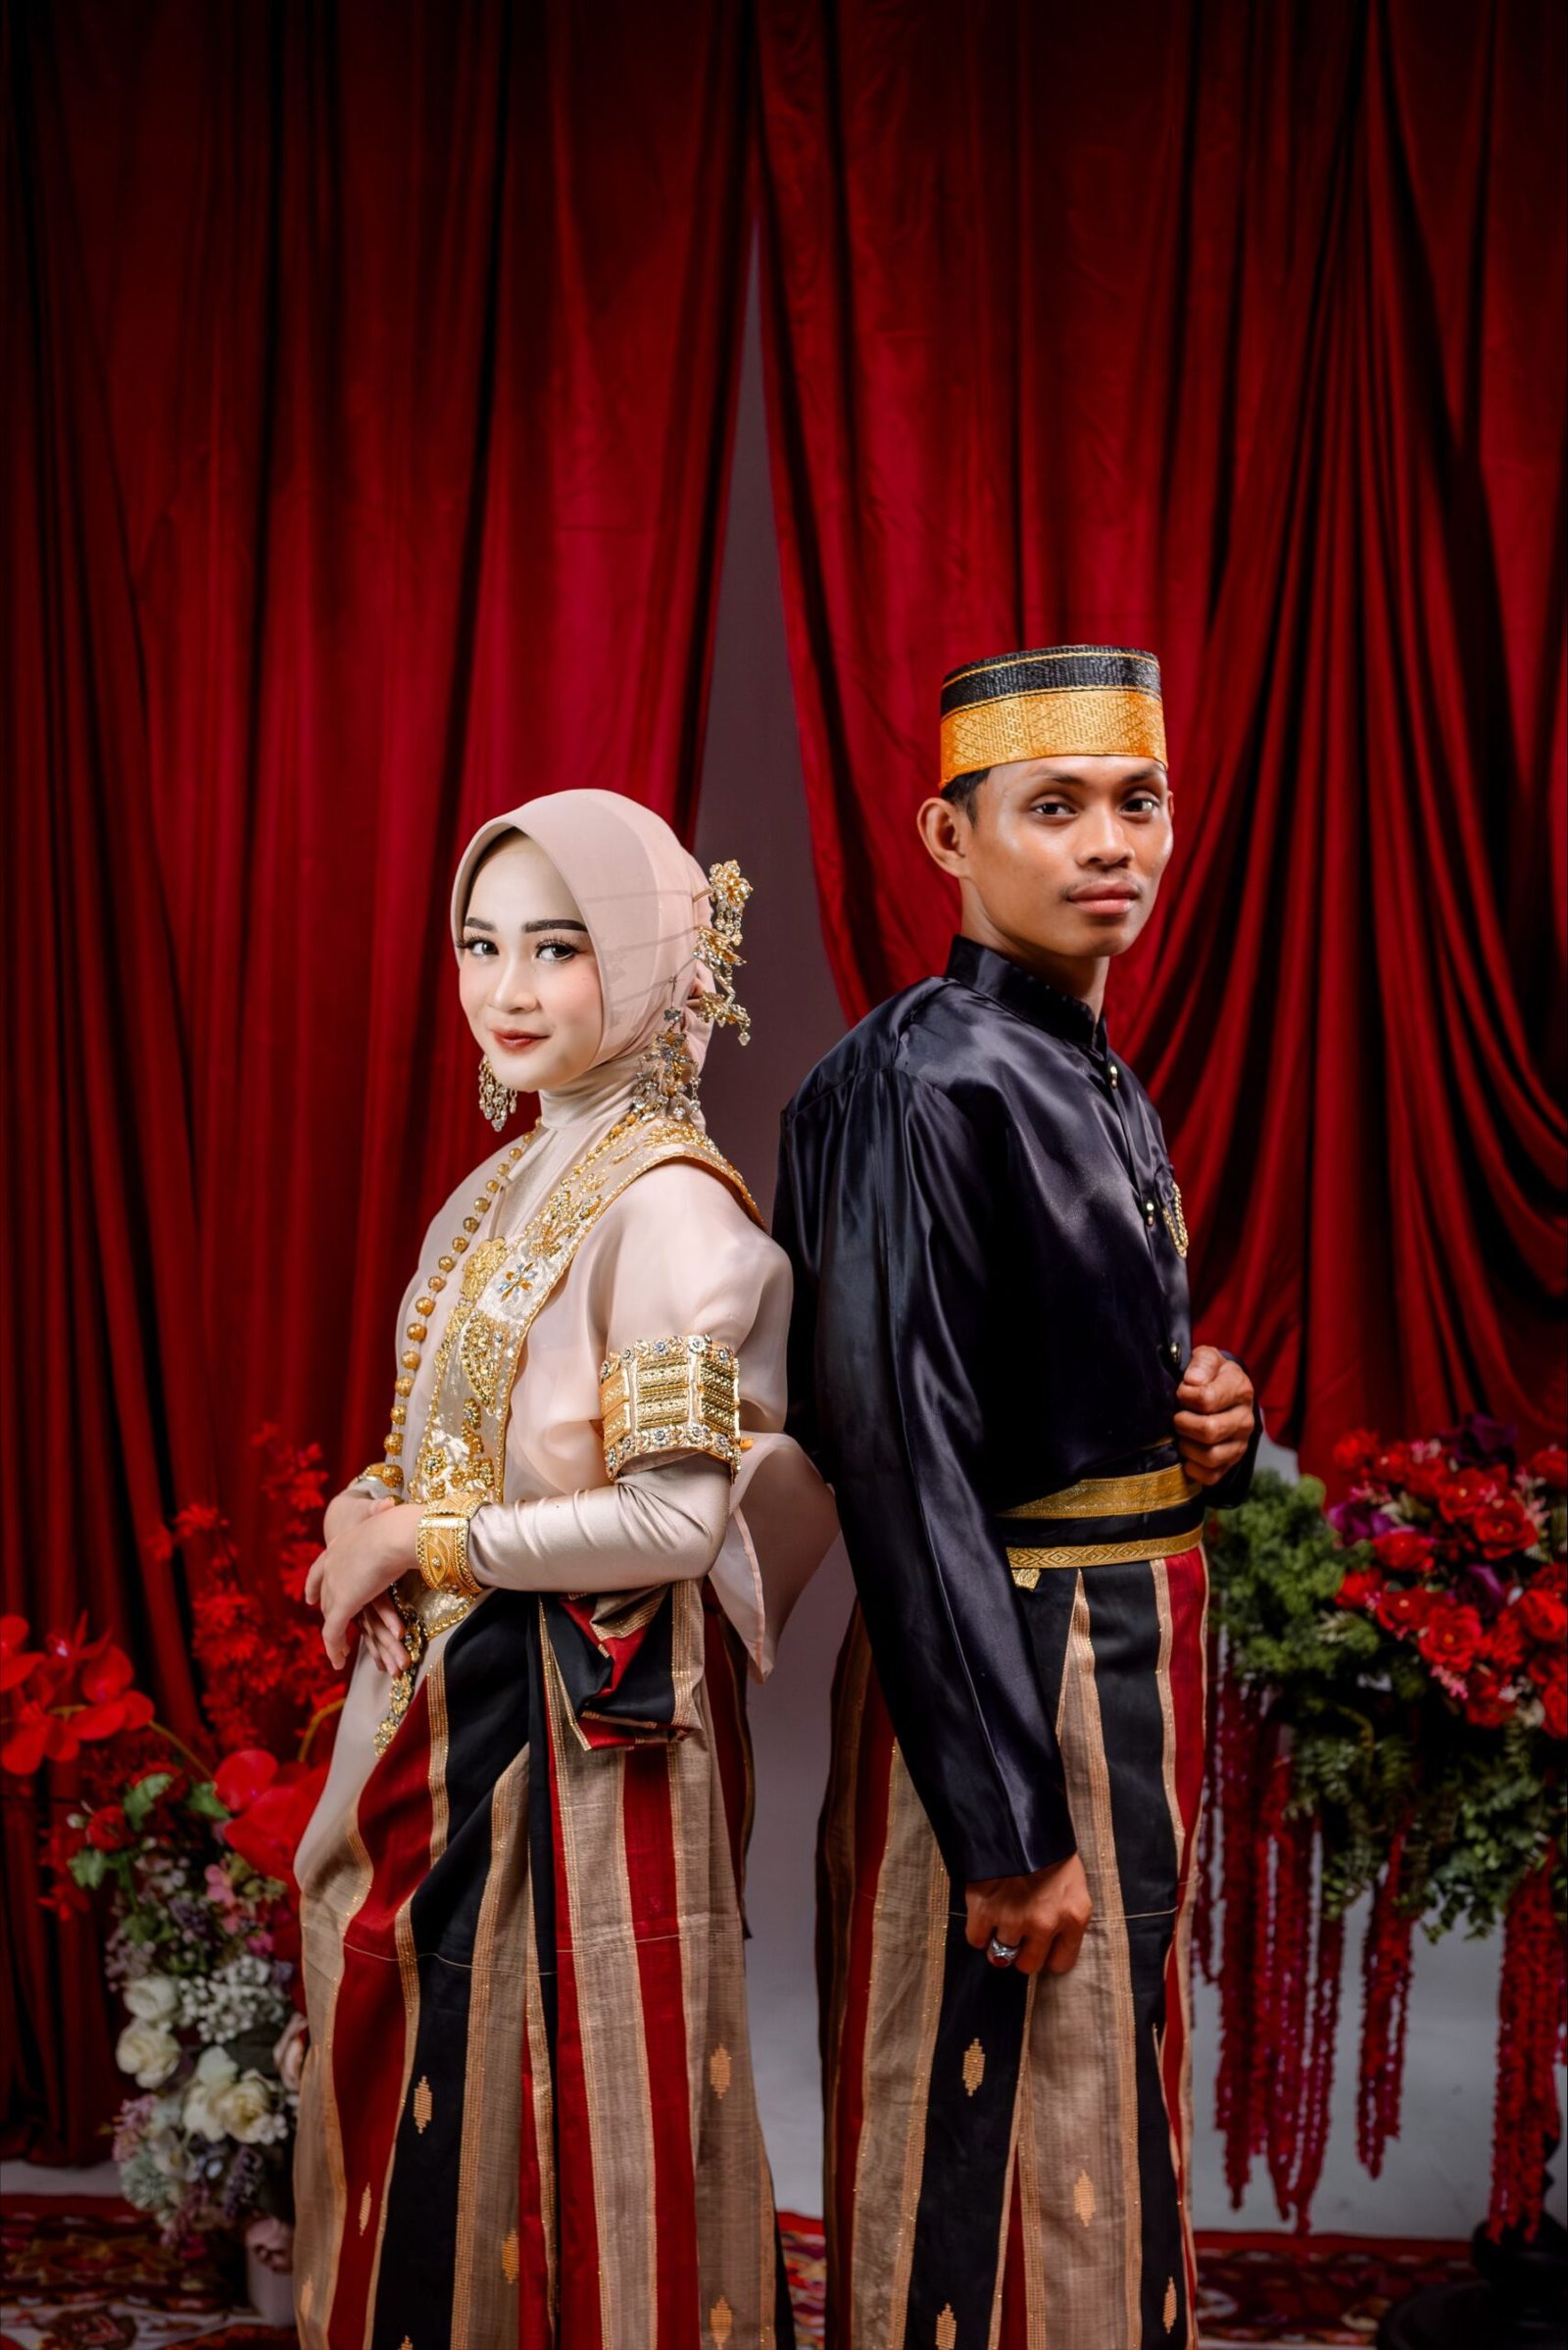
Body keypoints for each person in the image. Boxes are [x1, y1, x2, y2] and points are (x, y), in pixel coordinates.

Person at [292, 788, 835, 2350]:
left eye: (558, 946)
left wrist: (419, 1540)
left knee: (575, 2118)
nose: (506, 989)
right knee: (418, 2091)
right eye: (481, 945)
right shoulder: (498, 1184)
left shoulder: (671, 1210)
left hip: (582, 1749)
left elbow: (673, 1522)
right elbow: (438, 1441)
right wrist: (363, 1511)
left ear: (658, 958)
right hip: (449, 1707)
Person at [775, 646, 1261, 2349]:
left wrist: (1202, 1410)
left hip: (1114, 1658)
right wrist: (1007, 1826)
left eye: (1139, 801)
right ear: (949, 835)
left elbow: (1059, 1379)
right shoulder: (917, 1079)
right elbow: (898, 1452)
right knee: (981, 2131)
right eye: (1054, 806)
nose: (1109, 843)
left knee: (1100, 2113)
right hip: (1011, 1675)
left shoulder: (1083, 1060)